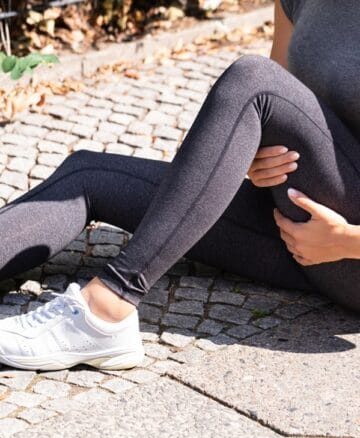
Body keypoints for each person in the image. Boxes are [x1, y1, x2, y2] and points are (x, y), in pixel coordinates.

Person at [0, 0, 359, 371]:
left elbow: (264, 91)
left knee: (252, 80)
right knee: (87, 175)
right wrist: (254, 159)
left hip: (348, 254)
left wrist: (345, 240)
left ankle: (106, 309)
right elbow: (284, 108)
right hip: (297, 225)